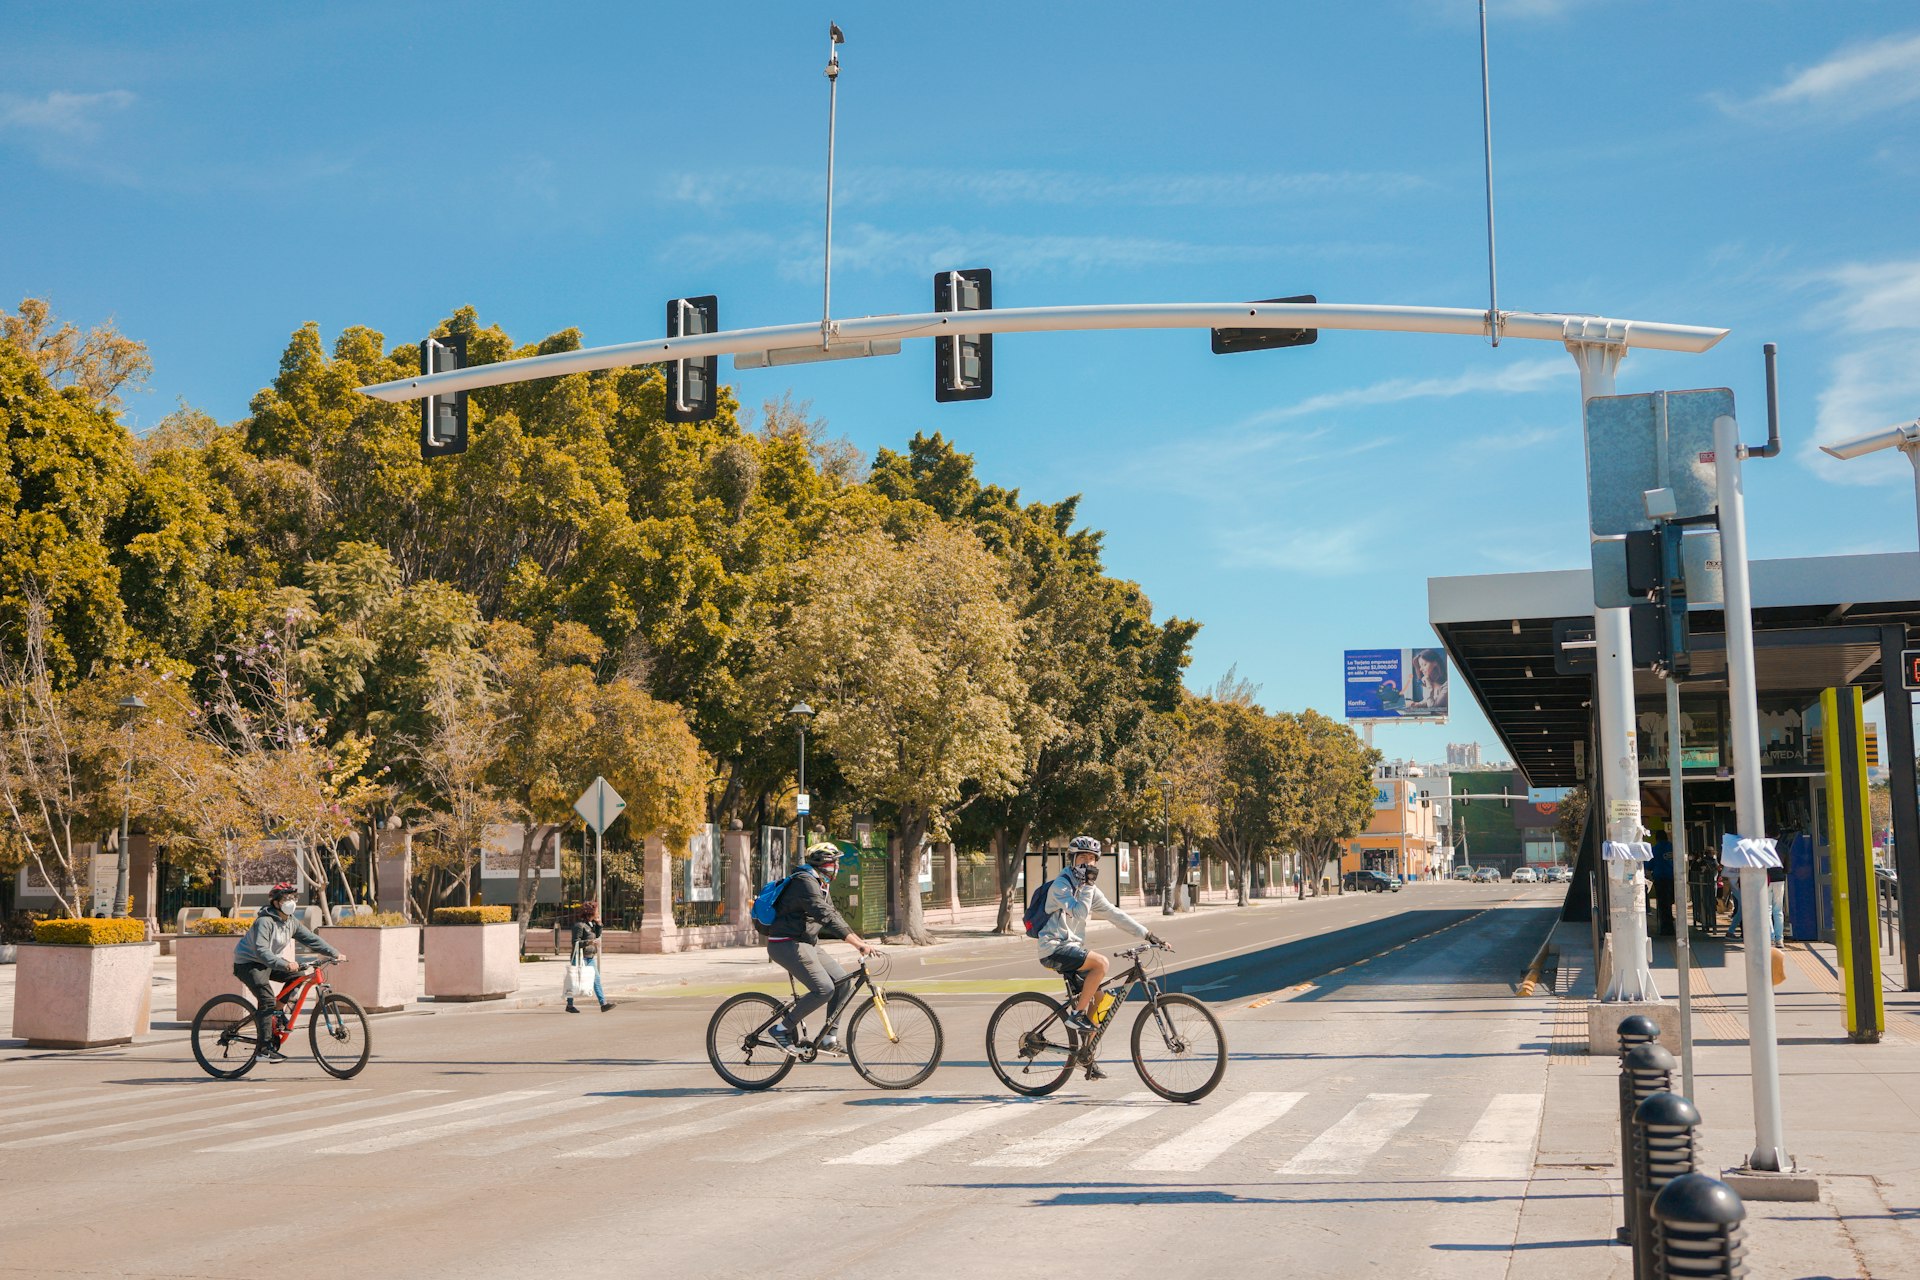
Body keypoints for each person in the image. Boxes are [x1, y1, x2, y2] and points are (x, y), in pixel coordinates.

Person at [1038, 836, 1166, 1080]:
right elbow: (1078, 911)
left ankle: (1086, 1057)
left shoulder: (1089, 889)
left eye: (1093, 859)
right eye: (1083, 858)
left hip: (1072, 950)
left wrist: (1148, 934)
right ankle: (1076, 1016)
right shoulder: (1061, 886)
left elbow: (1114, 913)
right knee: (1101, 963)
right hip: (1053, 948)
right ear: (1072, 859)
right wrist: (1086, 887)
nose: (1088, 863)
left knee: (1102, 1003)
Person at [763, 842, 876, 1055]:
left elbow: (834, 915)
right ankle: (781, 1029)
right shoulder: (804, 882)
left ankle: (828, 1038)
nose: (838, 867)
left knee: (842, 982)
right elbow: (824, 915)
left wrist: (858, 941)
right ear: (823, 863)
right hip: (786, 943)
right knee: (824, 988)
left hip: (806, 943)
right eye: (835, 863)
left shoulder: (820, 884)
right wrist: (857, 943)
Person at [233, 882, 341, 1064]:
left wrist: (334, 952)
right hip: (248, 963)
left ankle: (277, 1010)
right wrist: (284, 964)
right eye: (285, 898)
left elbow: (311, 939)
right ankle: (264, 1049)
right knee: (266, 999)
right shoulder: (265, 921)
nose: (290, 902)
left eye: (293, 898)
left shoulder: (291, 922)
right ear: (275, 903)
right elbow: (261, 951)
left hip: (268, 962)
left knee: (298, 975)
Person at [566, 901, 614, 1013]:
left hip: (590, 957)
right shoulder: (579, 926)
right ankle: (569, 1005)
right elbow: (575, 943)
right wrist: (590, 942)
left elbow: (597, 936)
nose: (598, 913)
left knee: (596, 979)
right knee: (574, 981)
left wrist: (599, 925)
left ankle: (603, 1004)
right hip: (580, 957)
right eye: (597, 910)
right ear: (590, 912)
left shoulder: (591, 925)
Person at [1647, 826, 1675, 938]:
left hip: (1660, 878)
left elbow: (1649, 865)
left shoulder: (1655, 849)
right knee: (1670, 902)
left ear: (1657, 838)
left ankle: (1666, 928)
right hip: (1673, 878)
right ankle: (1670, 925)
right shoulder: (1673, 847)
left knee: (1663, 904)